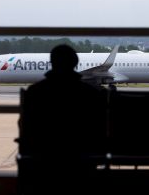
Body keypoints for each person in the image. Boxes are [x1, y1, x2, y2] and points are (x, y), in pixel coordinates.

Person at [17, 44, 107, 194]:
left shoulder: (35, 92)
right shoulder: (91, 93)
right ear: (75, 63)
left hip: (44, 161)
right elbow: (101, 127)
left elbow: (24, 127)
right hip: (83, 161)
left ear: (52, 63)